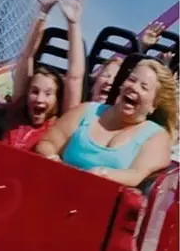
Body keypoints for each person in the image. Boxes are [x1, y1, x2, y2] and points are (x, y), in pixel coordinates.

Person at [36, 59, 178, 186]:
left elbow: (136, 175)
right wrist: (52, 159)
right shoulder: (86, 111)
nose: (133, 87)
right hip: (56, 186)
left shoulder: (157, 137)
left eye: (144, 87)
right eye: (132, 80)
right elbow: (47, 143)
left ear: (154, 104)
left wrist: (102, 174)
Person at [3, 0, 86, 150]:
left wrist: (73, 24)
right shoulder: (18, 110)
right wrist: (43, 12)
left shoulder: (61, 123)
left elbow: (75, 77)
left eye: (48, 94)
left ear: (57, 100)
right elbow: (26, 57)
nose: (40, 98)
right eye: (34, 91)